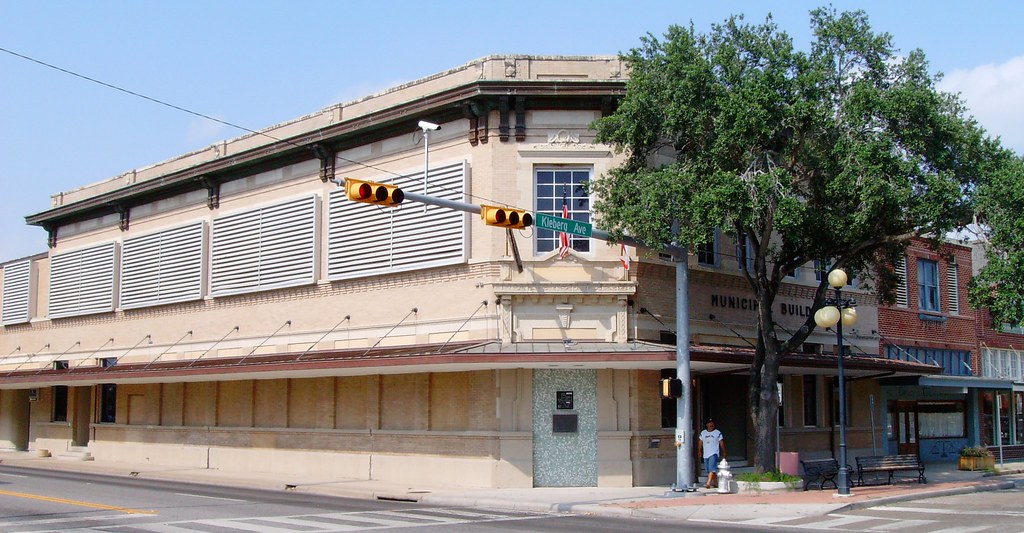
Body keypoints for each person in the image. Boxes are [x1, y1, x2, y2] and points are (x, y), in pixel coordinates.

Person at [698, 419, 726, 489]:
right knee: (709, 470)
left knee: (712, 469)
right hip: (706, 454)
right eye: (710, 424)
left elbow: (721, 443)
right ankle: (716, 483)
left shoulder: (717, 433)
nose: (711, 425)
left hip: (714, 453)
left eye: (712, 424)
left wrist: (724, 451)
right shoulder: (703, 433)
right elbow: (700, 443)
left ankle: (708, 483)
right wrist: (699, 451)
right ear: (707, 425)